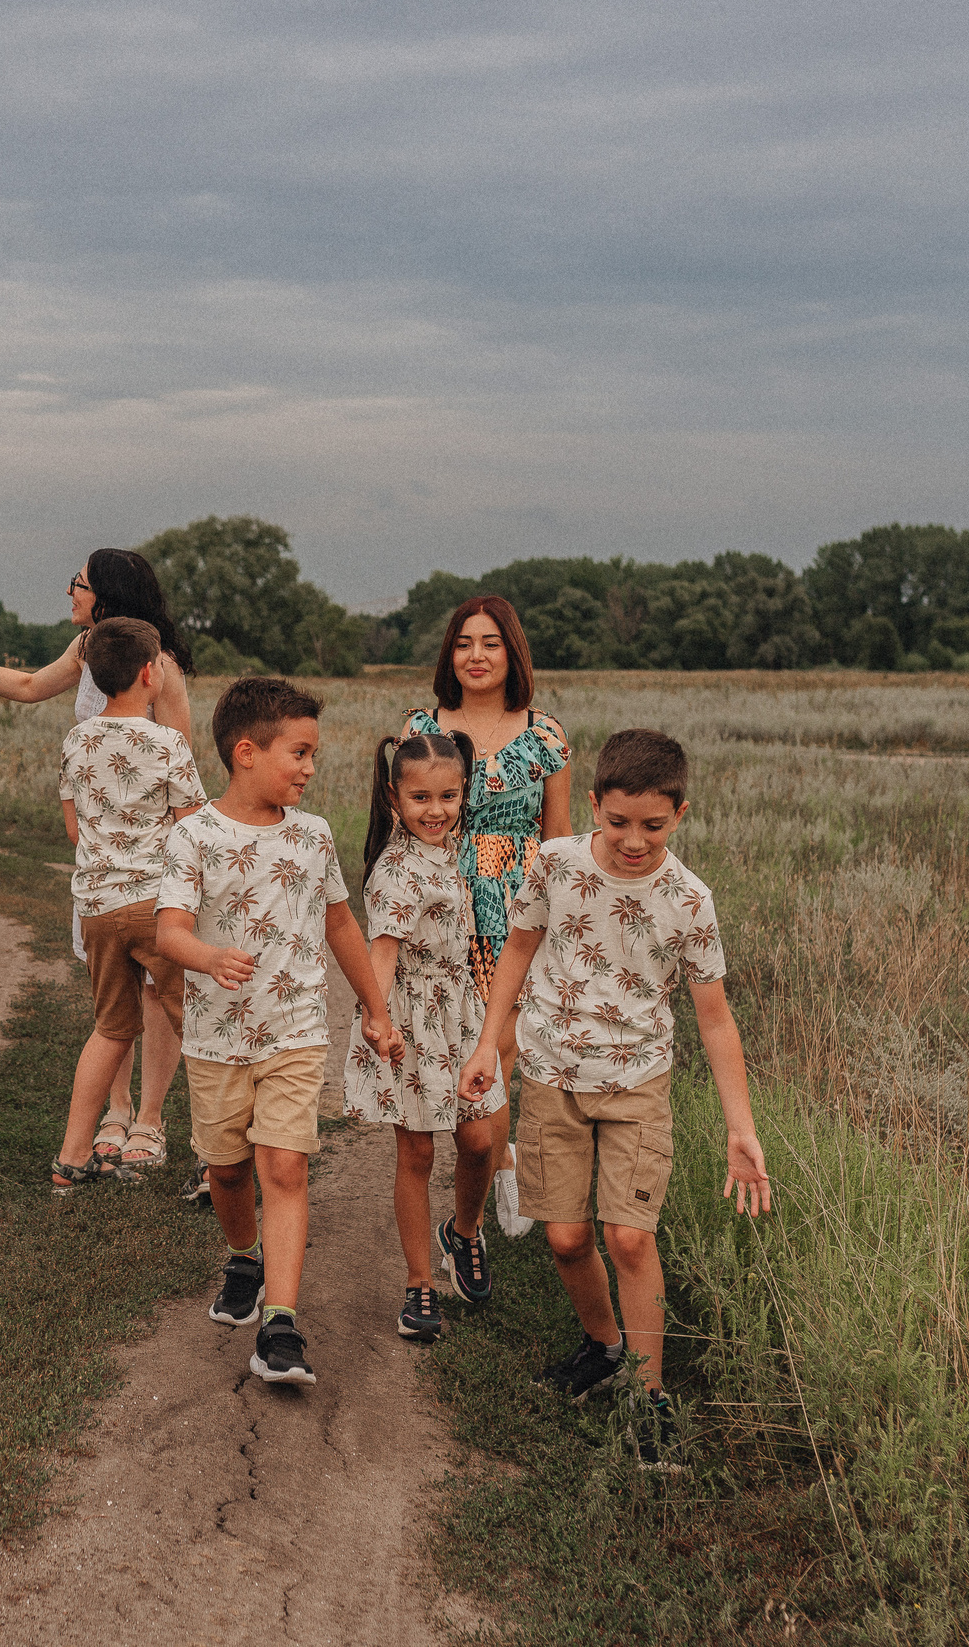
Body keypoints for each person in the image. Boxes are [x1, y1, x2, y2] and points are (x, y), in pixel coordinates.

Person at [456, 728, 772, 1470]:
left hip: (636, 1085)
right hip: (551, 1078)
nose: (634, 840)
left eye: (653, 826)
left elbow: (716, 1018)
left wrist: (740, 1127)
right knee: (566, 1239)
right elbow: (520, 951)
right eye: (619, 821)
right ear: (594, 803)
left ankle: (649, 1393)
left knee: (628, 1237)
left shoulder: (690, 900)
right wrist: (484, 1043)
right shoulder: (557, 865)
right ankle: (602, 1346)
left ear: (681, 814)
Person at [156, 677, 404, 1387]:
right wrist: (207, 955)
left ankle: (282, 1325)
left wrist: (375, 1011)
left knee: (285, 1167)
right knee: (228, 1168)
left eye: (313, 754)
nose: (310, 767)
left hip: (295, 1032)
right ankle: (243, 1254)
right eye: (299, 752)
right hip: (214, 1039)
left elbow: (339, 924)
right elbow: (169, 928)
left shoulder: (313, 835)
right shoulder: (194, 835)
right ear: (245, 753)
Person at [0, 549, 196, 1183]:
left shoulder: (162, 668)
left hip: (145, 873)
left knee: (156, 995)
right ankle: (115, 1112)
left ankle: (150, 1121)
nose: (69, 592)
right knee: (113, 995)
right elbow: (24, 687)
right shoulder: (86, 652)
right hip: (105, 872)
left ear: (105, 594)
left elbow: (182, 765)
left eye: (77, 584)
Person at [402, 595, 572, 1237]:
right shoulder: (425, 726)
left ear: (512, 654)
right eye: (465, 643)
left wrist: (568, 916)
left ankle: (493, 1166)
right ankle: (495, 1155)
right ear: (451, 653)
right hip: (444, 902)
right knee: (448, 1043)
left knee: (496, 1049)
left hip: (520, 907)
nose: (476, 655)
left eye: (491, 643)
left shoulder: (544, 734)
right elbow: (406, 824)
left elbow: (557, 836)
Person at [344, 730, 507, 1342]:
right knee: (416, 1152)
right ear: (395, 798)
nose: (435, 811)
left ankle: (463, 1233)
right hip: (412, 1018)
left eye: (448, 796)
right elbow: (380, 954)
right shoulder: (393, 871)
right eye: (420, 799)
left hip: (463, 1008)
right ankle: (419, 1283)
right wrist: (375, 1014)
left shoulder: (460, 845)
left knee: (480, 1137)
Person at [49, 617, 206, 1194]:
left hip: (96, 909)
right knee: (195, 1022)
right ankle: (215, 1155)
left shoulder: (76, 739)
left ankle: (71, 1157)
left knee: (111, 1028)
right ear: (149, 673)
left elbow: (73, 828)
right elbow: (193, 830)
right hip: (156, 905)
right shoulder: (168, 743)